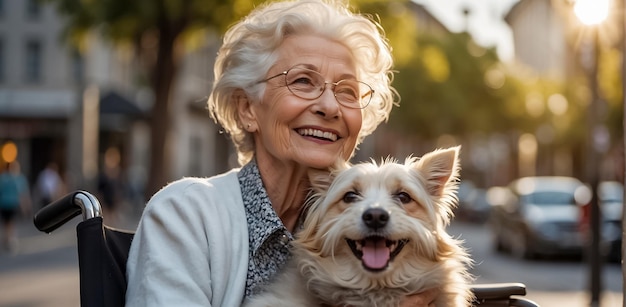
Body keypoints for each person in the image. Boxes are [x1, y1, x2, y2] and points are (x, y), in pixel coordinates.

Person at [126, 1, 438, 306]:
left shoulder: (389, 234)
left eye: (347, 90)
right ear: (247, 108)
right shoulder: (185, 215)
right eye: (303, 81)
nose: (329, 106)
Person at [0, 161, 31, 252]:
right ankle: (10, 239)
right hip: (12, 203)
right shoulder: (18, 178)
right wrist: (26, 206)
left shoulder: (3, 178)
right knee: (11, 222)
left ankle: (8, 238)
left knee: (7, 222)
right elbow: (22, 193)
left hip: (4, 203)